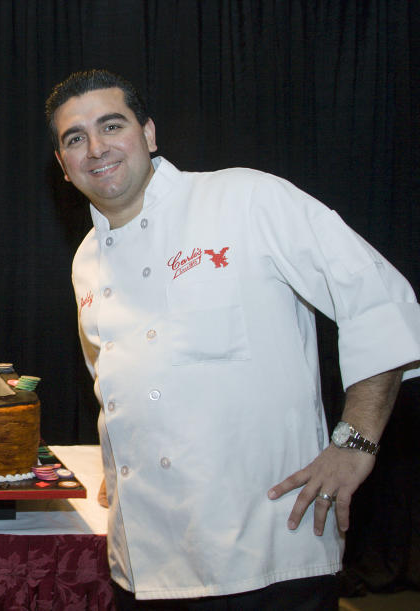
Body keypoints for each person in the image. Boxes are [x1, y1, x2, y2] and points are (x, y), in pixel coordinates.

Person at [45, 69, 420, 609]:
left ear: (149, 134)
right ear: (63, 165)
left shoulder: (244, 198)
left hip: (268, 554)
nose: (96, 147)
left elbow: (379, 298)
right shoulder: (86, 258)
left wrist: (355, 441)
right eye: (74, 138)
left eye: (111, 125)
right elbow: (116, 387)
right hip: (143, 562)